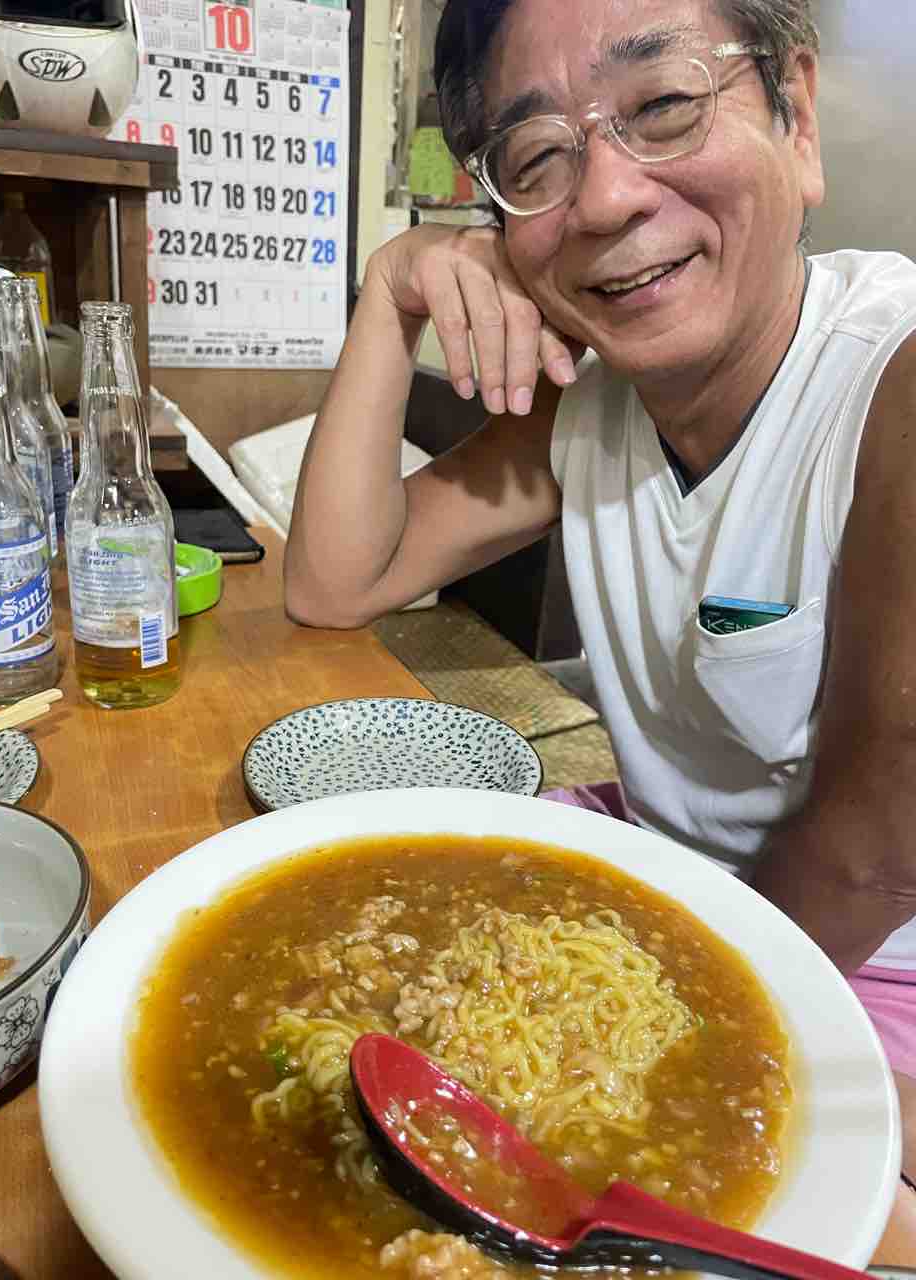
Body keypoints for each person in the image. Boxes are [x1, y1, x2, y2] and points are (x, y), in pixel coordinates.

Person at [284, 0, 916, 1251]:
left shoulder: (889, 380)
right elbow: (335, 581)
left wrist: (618, 1036)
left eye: (664, 105)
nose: (609, 197)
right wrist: (390, 292)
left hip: (869, 953)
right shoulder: (599, 410)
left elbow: (873, 857)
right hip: (673, 867)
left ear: (795, 116)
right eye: (538, 158)